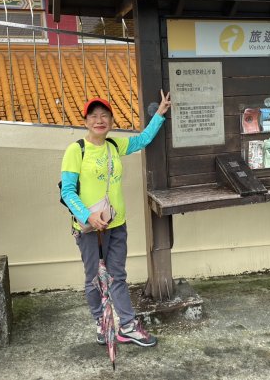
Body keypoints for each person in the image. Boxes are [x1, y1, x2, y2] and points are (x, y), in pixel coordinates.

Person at [60, 90, 171, 347]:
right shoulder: (76, 150)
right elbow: (67, 191)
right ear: (86, 121)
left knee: (117, 276)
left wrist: (159, 114)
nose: (100, 120)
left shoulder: (114, 145)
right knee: (94, 278)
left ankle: (128, 326)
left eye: (105, 116)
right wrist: (88, 215)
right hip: (89, 229)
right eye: (94, 116)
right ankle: (101, 322)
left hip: (116, 224)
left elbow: (142, 140)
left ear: (111, 121)